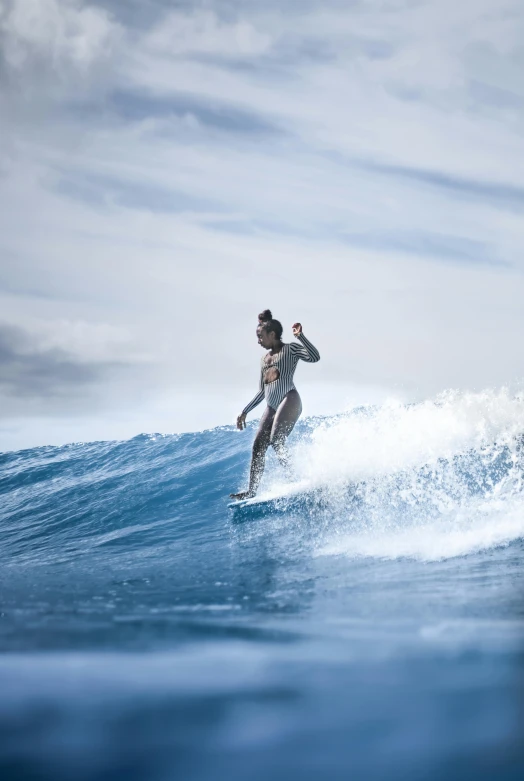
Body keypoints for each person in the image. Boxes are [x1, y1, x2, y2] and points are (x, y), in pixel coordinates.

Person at [230, 309, 320, 500]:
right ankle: (251, 491)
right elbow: (262, 391)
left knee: (276, 439)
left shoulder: (290, 349)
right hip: (271, 405)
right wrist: (244, 411)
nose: (258, 341)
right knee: (257, 446)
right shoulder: (264, 360)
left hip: (289, 398)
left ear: (272, 334)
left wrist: (301, 337)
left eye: (260, 336)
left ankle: (295, 479)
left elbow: (314, 357)